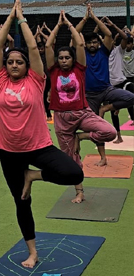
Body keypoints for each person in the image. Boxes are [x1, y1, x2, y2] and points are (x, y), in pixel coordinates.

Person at [0, 0, 83, 269]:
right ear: (5, 66)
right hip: (9, 152)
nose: (15, 65)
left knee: (74, 173)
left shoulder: (36, 79)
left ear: (27, 66)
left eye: (19, 62)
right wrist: (9, 17)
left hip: (38, 146)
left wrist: (22, 18)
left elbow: (33, 46)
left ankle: (33, 175)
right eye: (11, 62)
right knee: (22, 202)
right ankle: (32, 252)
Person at [45, 11, 116, 204]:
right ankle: (79, 192)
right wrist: (57, 26)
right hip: (61, 118)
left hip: (82, 113)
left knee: (110, 132)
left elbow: (80, 44)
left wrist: (69, 24)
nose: (64, 60)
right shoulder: (54, 71)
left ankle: (81, 136)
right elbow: (47, 45)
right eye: (61, 58)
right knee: (70, 160)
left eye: (67, 57)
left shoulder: (79, 68)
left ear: (72, 59)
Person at [75, 5, 134, 165]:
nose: (92, 44)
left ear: (98, 44)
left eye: (95, 42)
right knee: (96, 128)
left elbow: (108, 34)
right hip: (89, 95)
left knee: (131, 98)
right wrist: (85, 18)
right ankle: (103, 157)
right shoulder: (82, 54)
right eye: (90, 43)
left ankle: (105, 108)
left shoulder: (104, 51)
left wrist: (94, 17)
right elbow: (75, 33)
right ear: (85, 45)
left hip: (107, 90)